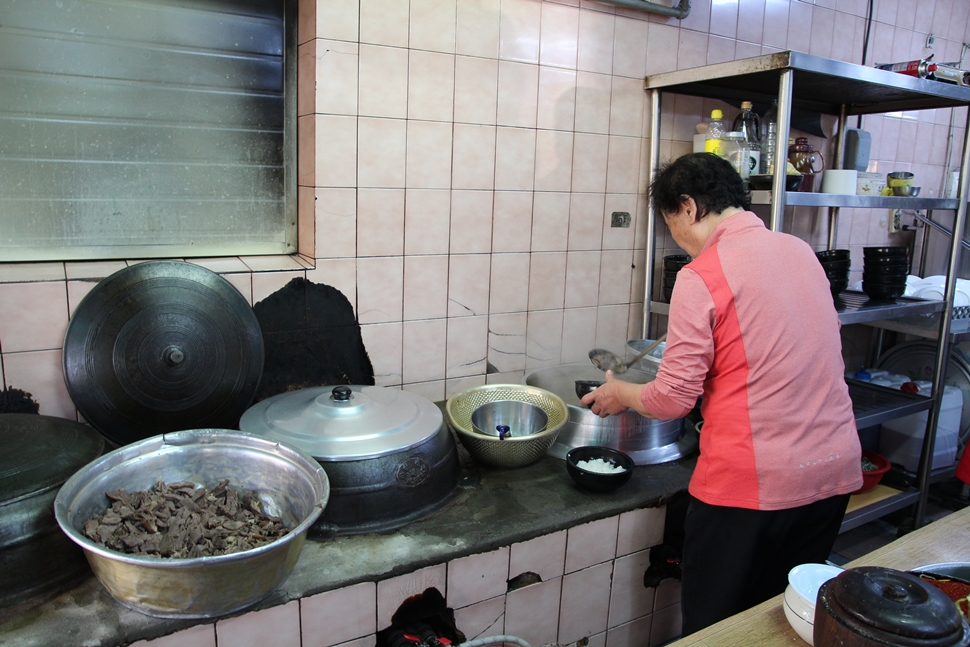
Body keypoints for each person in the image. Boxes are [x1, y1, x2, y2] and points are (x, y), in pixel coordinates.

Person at [581, 152, 862, 636]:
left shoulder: (702, 275)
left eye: (672, 224)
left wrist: (622, 392)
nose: (679, 241)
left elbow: (672, 399)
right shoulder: (800, 252)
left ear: (688, 207)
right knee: (780, 624)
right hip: (832, 473)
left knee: (717, 631)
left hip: (752, 488)